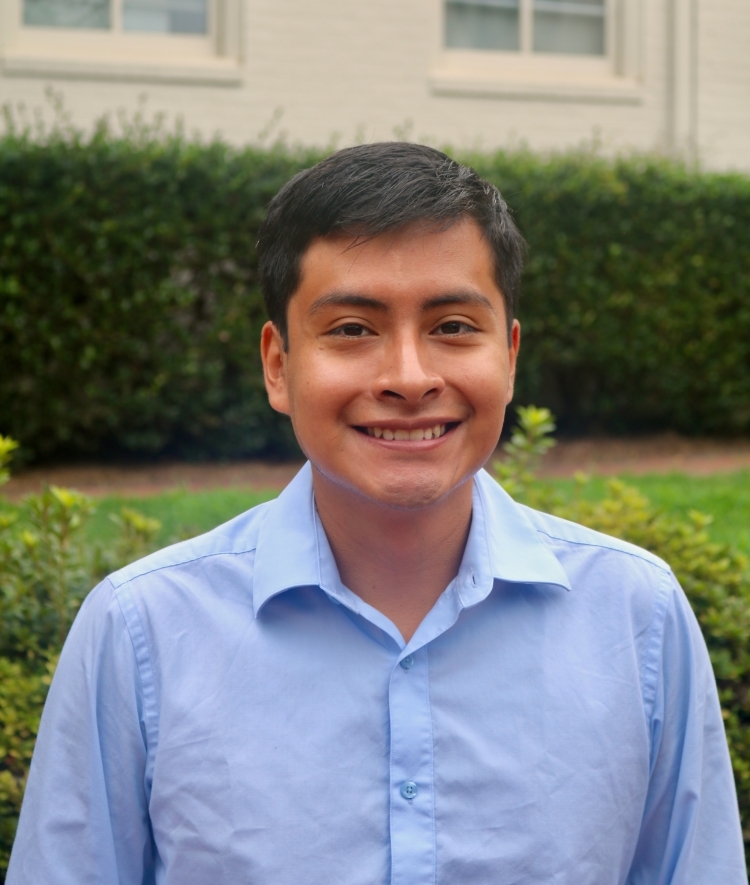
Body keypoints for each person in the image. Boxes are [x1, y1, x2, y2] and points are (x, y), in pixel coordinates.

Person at [7, 143, 746, 885]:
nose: (408, 378)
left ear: (510, 356)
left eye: (454, 325)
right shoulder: (140, 635)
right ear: (278, 365)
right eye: (353, 329)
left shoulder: (637, 619)